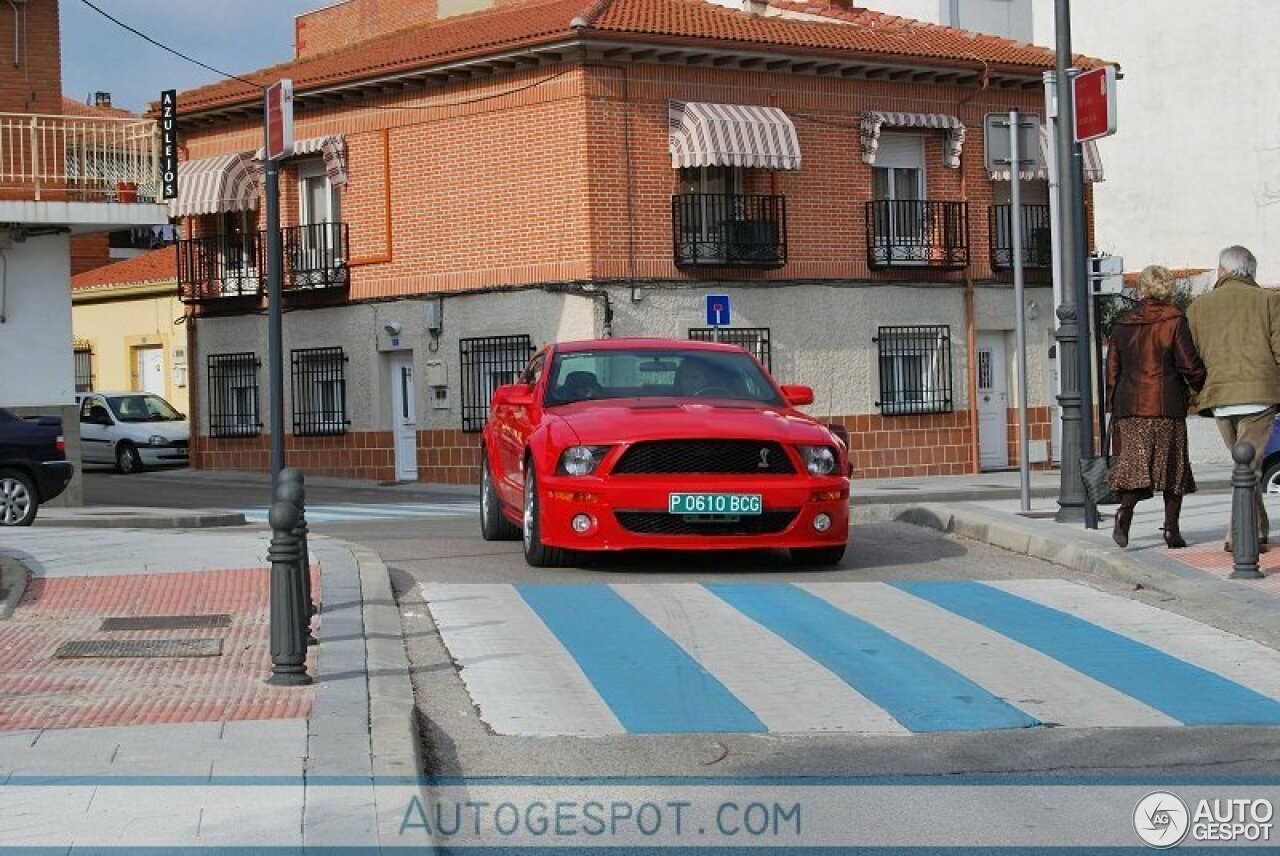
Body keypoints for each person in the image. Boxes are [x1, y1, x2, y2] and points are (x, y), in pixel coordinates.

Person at [1186, 245, 1280, 553]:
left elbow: (1193, 357)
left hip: (1219, 397)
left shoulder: (1199, 307)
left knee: (1246, 468)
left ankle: (1256, 529)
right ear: (1251, 271)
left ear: (1222, 271)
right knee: (1249, 469)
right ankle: (1239, 535)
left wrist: (1196, 395)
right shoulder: (1269, 301)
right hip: (1260, 395)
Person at [1106, 265, 1206, 549]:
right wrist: (1200, 384)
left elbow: (1112, 370)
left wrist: (1115, 407)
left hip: (1130, 409)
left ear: (1142, 289)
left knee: (1136, 466)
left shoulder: (1123, 324)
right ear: (1167, 288)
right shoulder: (1174, 320)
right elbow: (1189, 364)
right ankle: (1171, 531)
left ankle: (1125, 514)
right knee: (1171, 468)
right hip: (1165, 406)